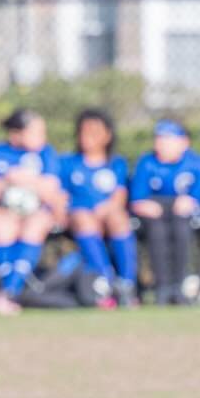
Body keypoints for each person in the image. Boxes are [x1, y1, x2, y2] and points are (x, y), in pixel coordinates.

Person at [0, 109, 65, 315]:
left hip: (37, 213)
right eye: (36, 132)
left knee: (35, 225)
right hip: (2, 211)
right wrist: (6, 180)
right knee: (2, 224)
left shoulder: (46, 154)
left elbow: (53, 194)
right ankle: (9, 291)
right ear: (16, 133)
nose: (42, 137)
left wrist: (28, 180)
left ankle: (9, 292)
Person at [59, 109, 138, 307]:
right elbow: (60, 195)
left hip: (107, 214)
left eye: (94, 132)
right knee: (83, 218)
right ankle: (104, 282)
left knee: (118, 218)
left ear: (107, 135)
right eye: (83, 132)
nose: (87, 137)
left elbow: (120, 196)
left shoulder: (116, 164)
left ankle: (127, 285)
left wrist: (105, 209)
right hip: (79, 218)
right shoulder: (68, 163)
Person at [130, 119, 200, 305]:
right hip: (153, 217)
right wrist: (150, 205)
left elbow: (196, 198)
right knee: (157, 231)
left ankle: (178, 286)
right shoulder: (147, 163)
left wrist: (185, 203)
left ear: (184, 142)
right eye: (158, 139)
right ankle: (162, 287)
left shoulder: (196, 163)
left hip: (181, 217)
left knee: (181, 228)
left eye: (167, 139)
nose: (160, 144)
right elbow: (138, 199)